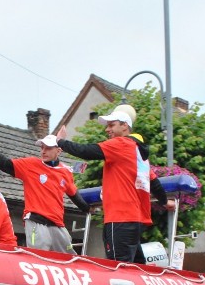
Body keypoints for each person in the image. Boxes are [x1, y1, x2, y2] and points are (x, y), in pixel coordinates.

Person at [56, 111, 172, 263]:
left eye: (112, 125)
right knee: (136, 268)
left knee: (118, 268)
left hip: (120, 218)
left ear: (125, 126)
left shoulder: (122, 144)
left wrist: (60, 142)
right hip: (135, 220)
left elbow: (86, 151)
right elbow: (155, 183)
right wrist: (164, 202)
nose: (107, 129)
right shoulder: (139, 154)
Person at [0, 122, 92, 253]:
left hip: (57, 224)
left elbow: (74, 195)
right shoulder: (31, 164)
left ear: (59, 150)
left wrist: (89, 209)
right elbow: (3, 164)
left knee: (70, 257)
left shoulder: (65, 171)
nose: (44, 151)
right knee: (40, 254)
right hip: (36, 221)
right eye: (42, 147)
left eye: (48, 148)